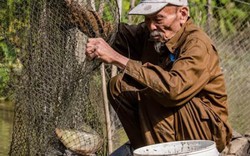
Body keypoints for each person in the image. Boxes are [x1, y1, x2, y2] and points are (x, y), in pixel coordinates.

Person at [85, 0, 232, 152]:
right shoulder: (152, 35)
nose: (151, 26)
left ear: (182, 14)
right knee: (119, 86)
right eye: (147, 19)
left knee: (154, 89)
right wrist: (71, 10)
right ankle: (145, 150)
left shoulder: (197, 44)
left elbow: (173, 90)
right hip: (174, 117)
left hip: (207, 133)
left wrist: (117, 58)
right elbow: (113, 32)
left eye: (158, 19)